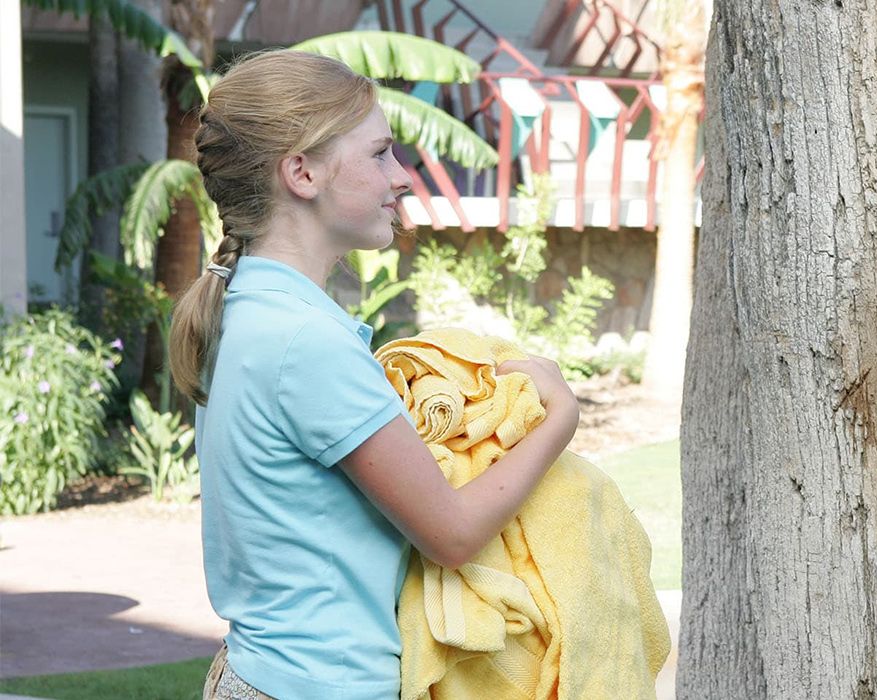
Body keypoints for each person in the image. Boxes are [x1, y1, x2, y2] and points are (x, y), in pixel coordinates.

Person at [169, 50, 580, 699]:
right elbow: (451, 533)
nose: (402, 177)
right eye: (380, 153)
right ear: (302, 172)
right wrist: (557, 419)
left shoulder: (248, 309)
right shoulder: (305, 340)